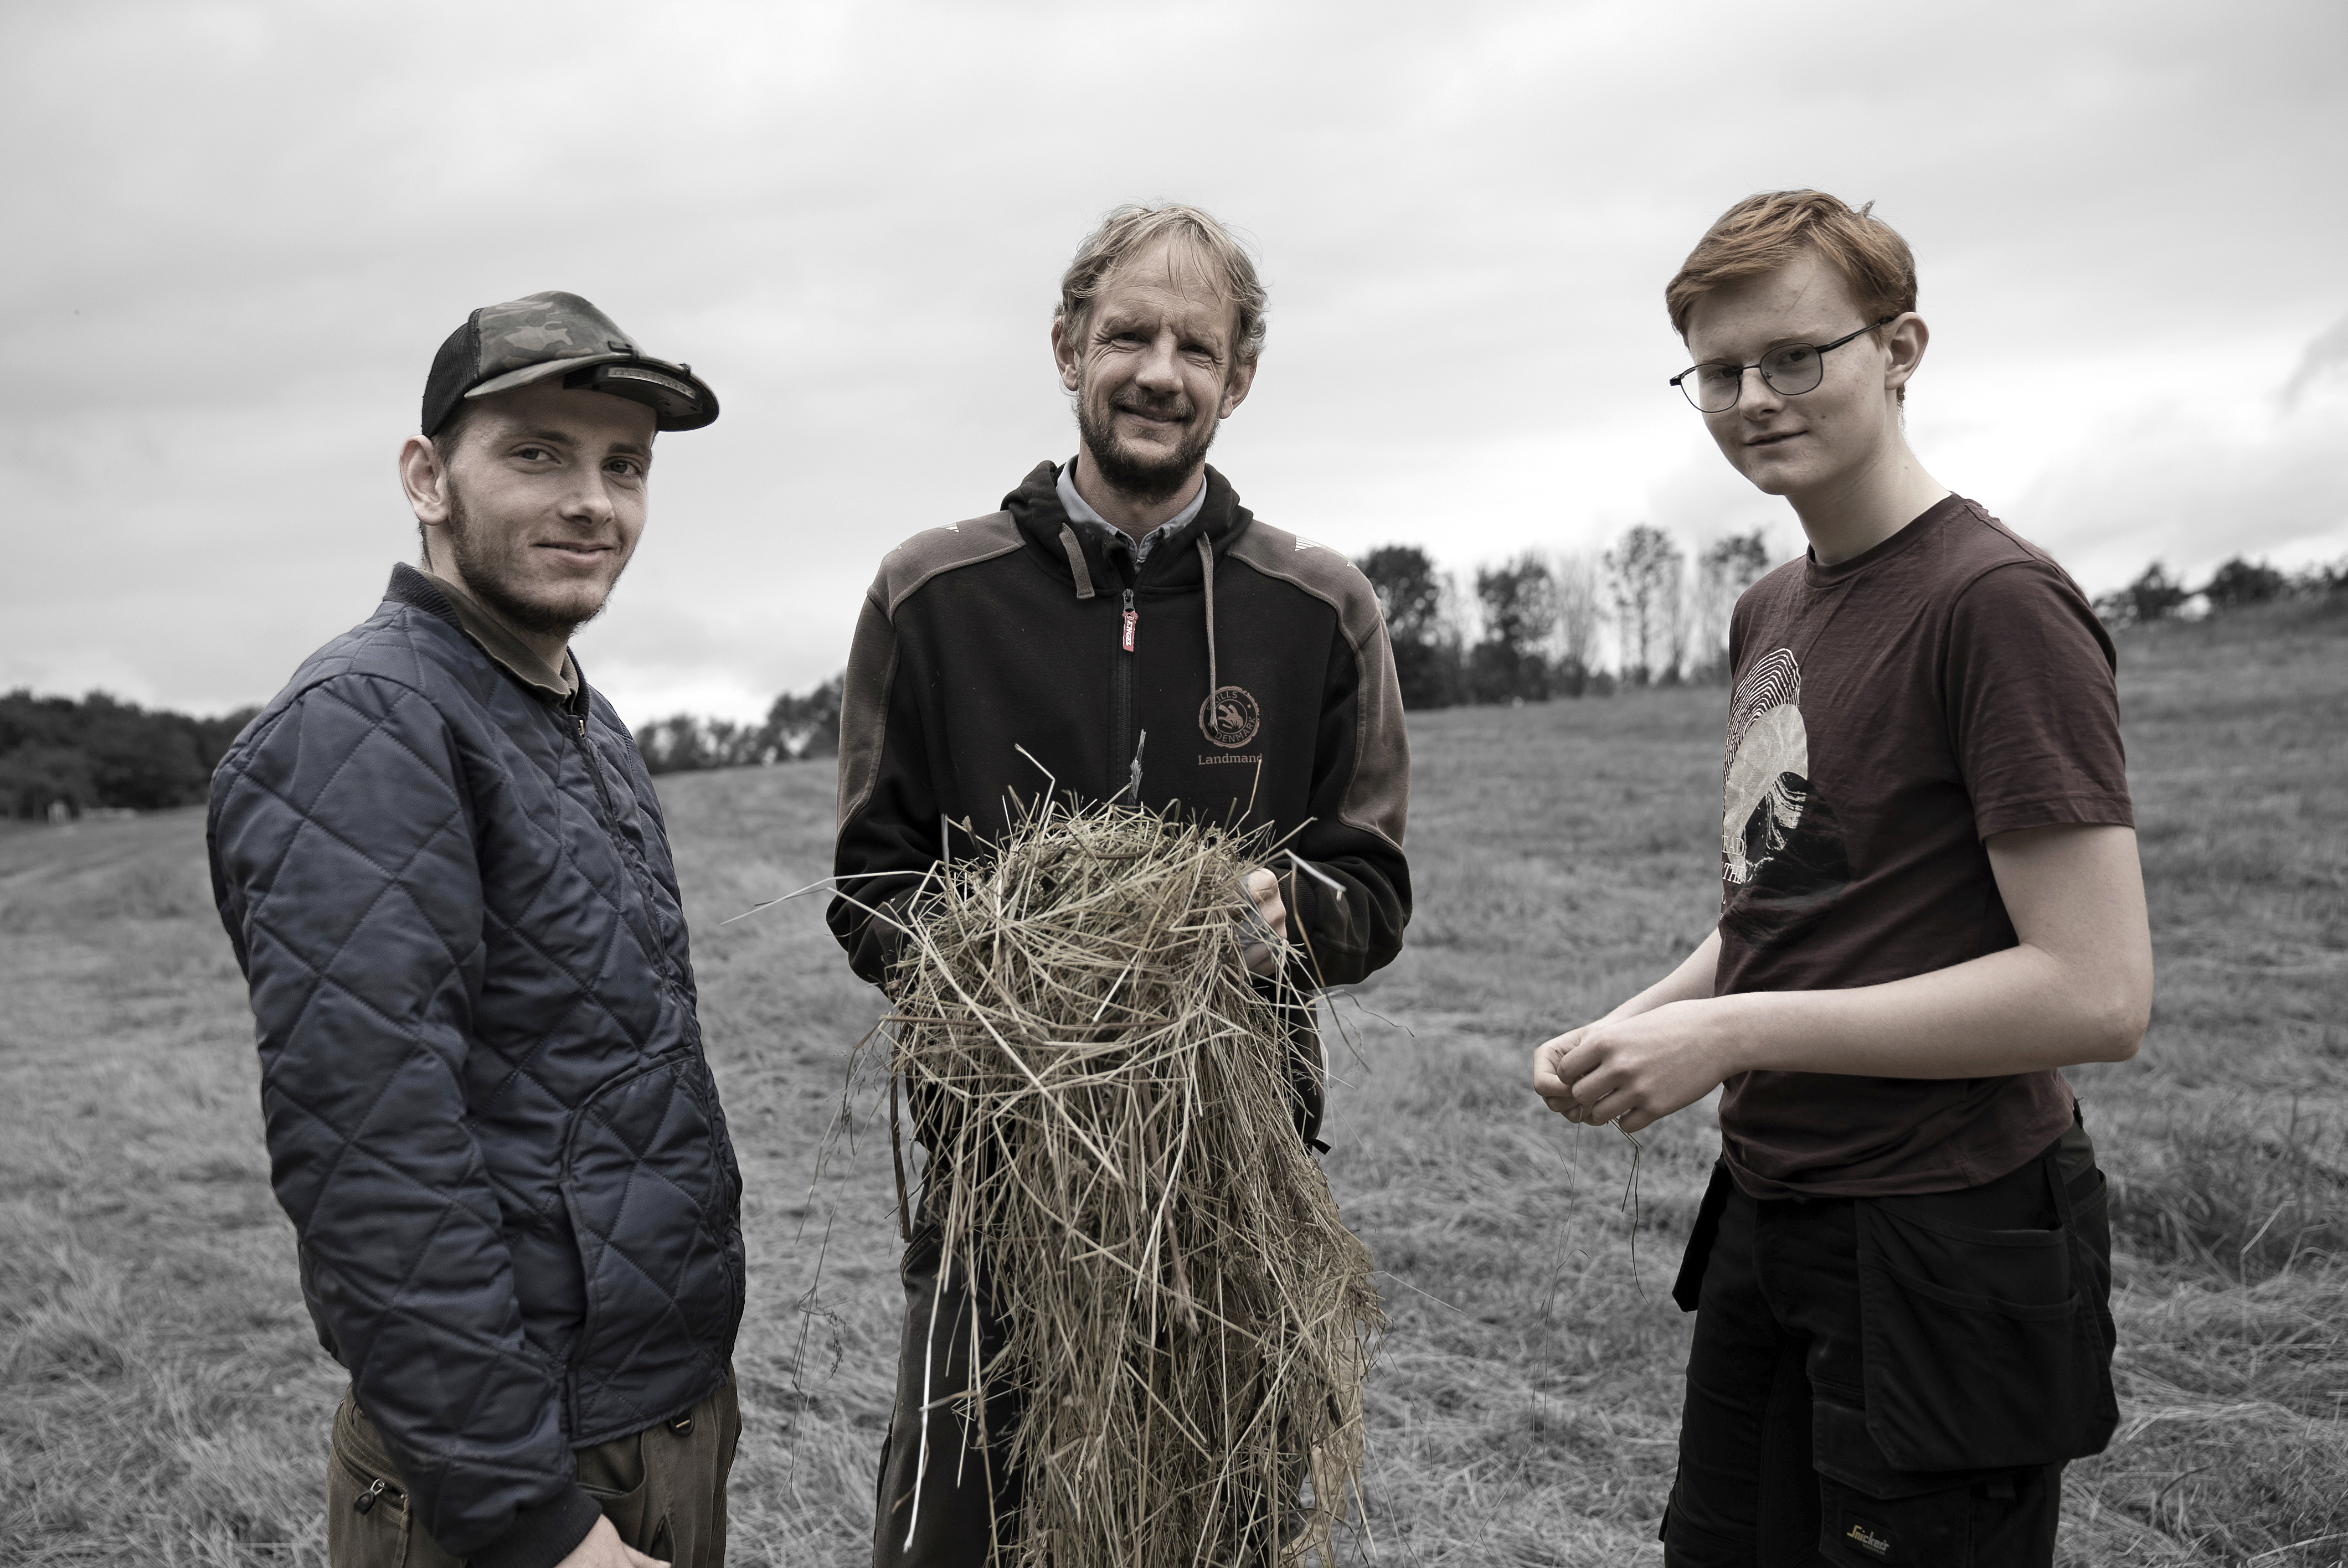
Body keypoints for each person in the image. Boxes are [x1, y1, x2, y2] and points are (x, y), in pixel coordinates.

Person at [1530, 191, 2153, 1566]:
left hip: (1945, 1241)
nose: (1753, 397)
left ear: (1900, 347)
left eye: (1794, 356)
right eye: (1718, 370)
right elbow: (1782, 902)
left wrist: (1729, 1033)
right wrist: (1642, 1017)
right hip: (1772, 1214)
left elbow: (2094, 992)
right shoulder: (1774, 605)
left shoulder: (1994, 604)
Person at [828, 203, 1413, 1566]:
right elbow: (869, 888)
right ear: (1065, 347)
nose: (1160, 371)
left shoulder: (1319, 608)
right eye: (1127, 335)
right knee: (960, 1535)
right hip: (999, 1183)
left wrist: (1287, 910)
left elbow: (1370, 889)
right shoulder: (931, 593)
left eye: (1196, 348)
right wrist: (1009, 965)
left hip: (1223, 1196)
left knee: (1209, 1534)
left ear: (1239, 379)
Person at [208, 292, 745, 1568]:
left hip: (642, 1420)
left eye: (625, 465)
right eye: (536, 453)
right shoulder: (368, 726)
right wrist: (534, 1523)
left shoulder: (570, 710)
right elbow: (374, 1160)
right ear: (425, 478)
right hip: (515, 1483)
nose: (592, 502)